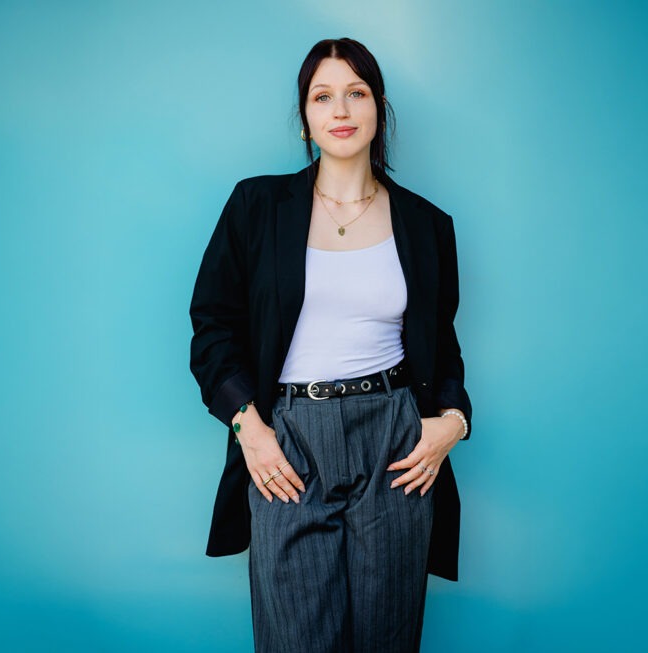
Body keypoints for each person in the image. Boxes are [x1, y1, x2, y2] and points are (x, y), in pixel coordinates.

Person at [189, 37, 473, 653]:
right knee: (295, 637)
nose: (340, 109)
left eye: (356, 93)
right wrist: (249, 427)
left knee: (386, 640)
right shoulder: (257, 206)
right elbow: (212, 327)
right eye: (323, 96)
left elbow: (441, 347)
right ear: (306, 117)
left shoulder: (427, 224)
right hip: (289, 440)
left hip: (396, 443)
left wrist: (452, 422)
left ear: (378, 109)